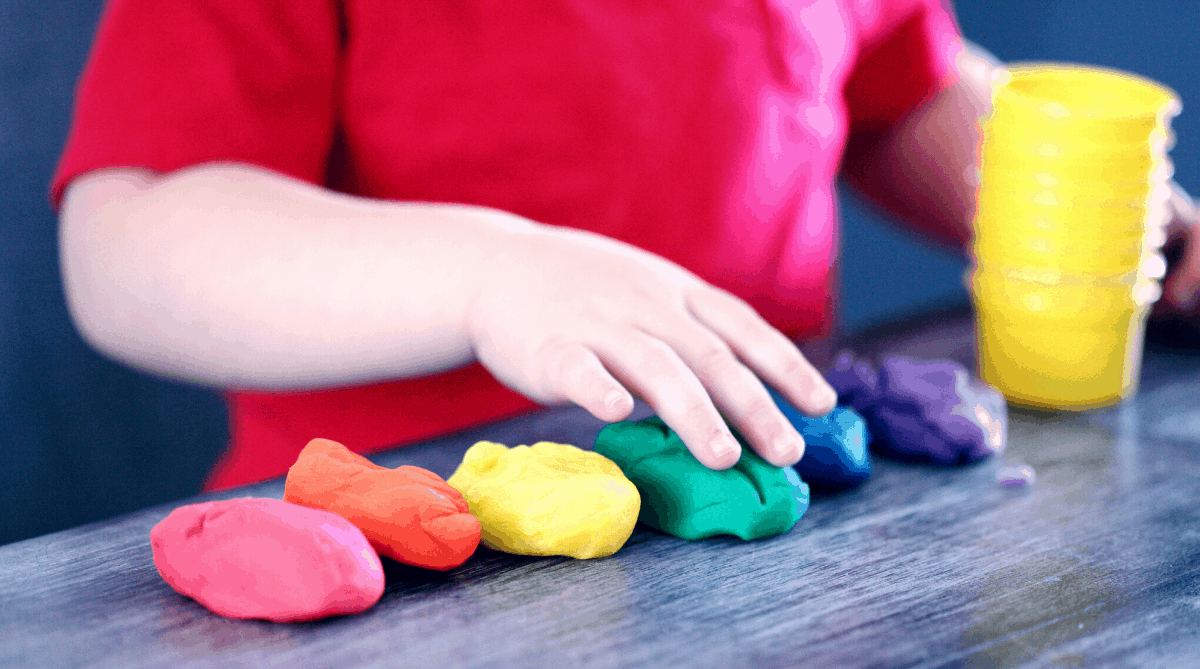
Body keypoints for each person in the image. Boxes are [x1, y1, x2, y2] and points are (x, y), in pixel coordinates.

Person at [53, 0, 1200, 492]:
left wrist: (1097, 211)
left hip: (767, 521)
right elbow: (133, 241)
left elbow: (897, 88)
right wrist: (490, 274)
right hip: (399, 563)